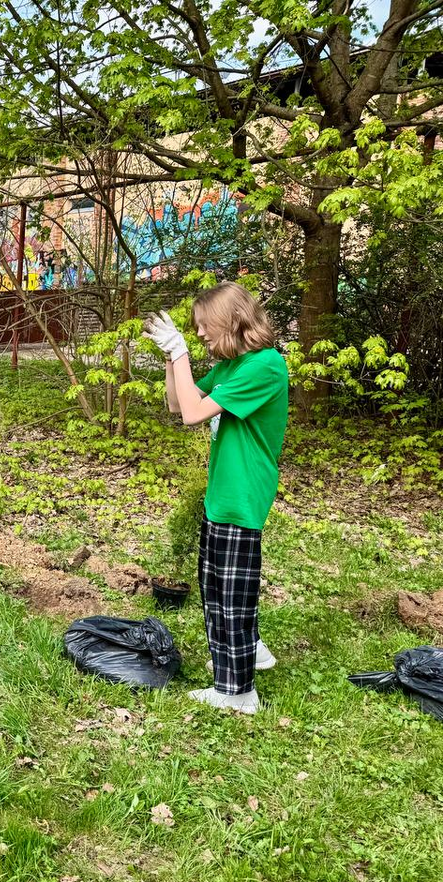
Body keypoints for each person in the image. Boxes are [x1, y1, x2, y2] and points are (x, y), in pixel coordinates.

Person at [144, 282, 289, 714]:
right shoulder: (232, 367)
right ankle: (251, 652)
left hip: (242, 493)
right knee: (218, 586)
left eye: (205, 326)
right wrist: (174, 357)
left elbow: (193, 415)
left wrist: (183, 353)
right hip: (222, 493)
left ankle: (238, 692)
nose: (202, 334)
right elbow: (177, 403)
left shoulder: (264, 366)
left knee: (230, 594)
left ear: (231, 319)